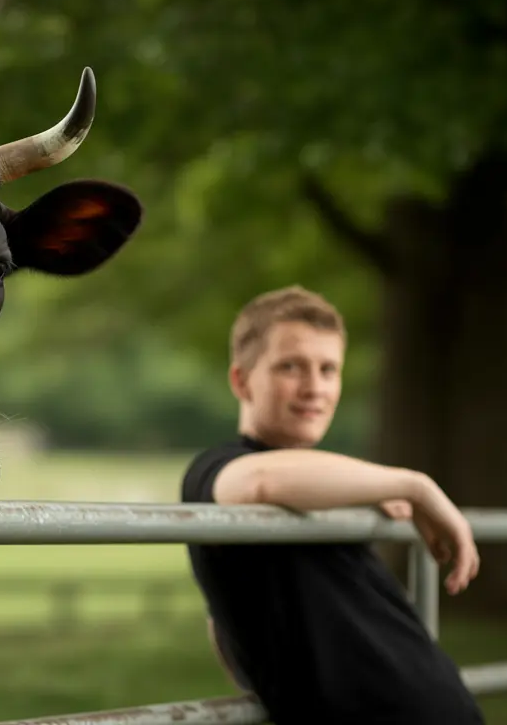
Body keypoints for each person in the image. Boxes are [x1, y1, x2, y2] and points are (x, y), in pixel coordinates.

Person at [180, 285, 485, 724]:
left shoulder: (334, 488)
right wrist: (417, 486)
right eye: (291, 367)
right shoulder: (217, 467)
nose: (315, 388)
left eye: (329, 369)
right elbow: (260, 481)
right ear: (241, 380)